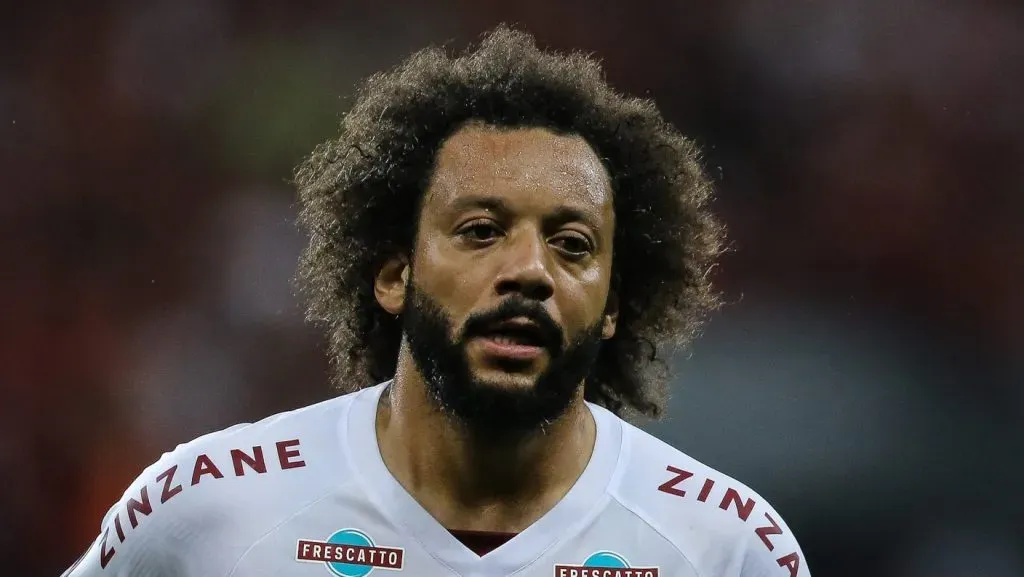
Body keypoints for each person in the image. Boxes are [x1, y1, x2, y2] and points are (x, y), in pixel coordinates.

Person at [64, 26, 809, 577]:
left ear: (614, 302)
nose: (529, 270)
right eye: (481, 231)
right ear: (394, 273)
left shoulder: (724, 547)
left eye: (572, 244)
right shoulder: (211, 511)